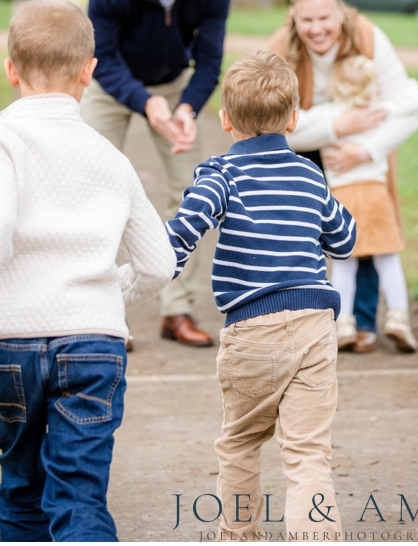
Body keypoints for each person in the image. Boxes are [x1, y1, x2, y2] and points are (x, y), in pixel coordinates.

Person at [0, 0, 176, 541]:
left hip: (10, 344)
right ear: (89, 71)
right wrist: (102, 291)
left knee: (22, 487)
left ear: (10, 70)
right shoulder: (111, 157)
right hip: (93, 346)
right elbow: (159, 264)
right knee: (79, 495)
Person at [167, 51, 356, 540]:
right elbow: (345, 240)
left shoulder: (221, 174)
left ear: (225, 120)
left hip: (252, 331)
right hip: (314, 326)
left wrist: (155, 268)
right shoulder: (310, 176)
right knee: (308, 452)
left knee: (240, 443)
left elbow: (184, 230)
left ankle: (239, 535)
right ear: (293, 120)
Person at [83, 0, 231, 347]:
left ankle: (176, 309)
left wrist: (186, 109)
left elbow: (209, 61)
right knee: (94, 187)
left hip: (172, 84)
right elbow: (102, 56)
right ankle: (99, 312)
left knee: (192, 189)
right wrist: (145, 103)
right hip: (110, 84)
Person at [266, 0, 418, 353]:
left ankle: (362, 321)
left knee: (366, 228)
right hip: (303, 147)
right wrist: (337, 125)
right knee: (300, 232)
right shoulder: (281, 49)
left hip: (362, 147)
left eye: (324, 18)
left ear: (341, 12)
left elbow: (407, 109)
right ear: (294, 17)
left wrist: (364, 149)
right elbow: (275, 125)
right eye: (307, 20)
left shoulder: (369, 38)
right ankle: (303, 317)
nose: (316, 29)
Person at [312, 56, 418, 351]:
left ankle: (344, 323)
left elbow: (300, 124)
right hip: (376, 194)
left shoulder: (328, 116)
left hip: (342, 197)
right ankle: (398, 318)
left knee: (344, 264)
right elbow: (414, 96)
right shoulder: (380, 113)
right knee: (388, 260)